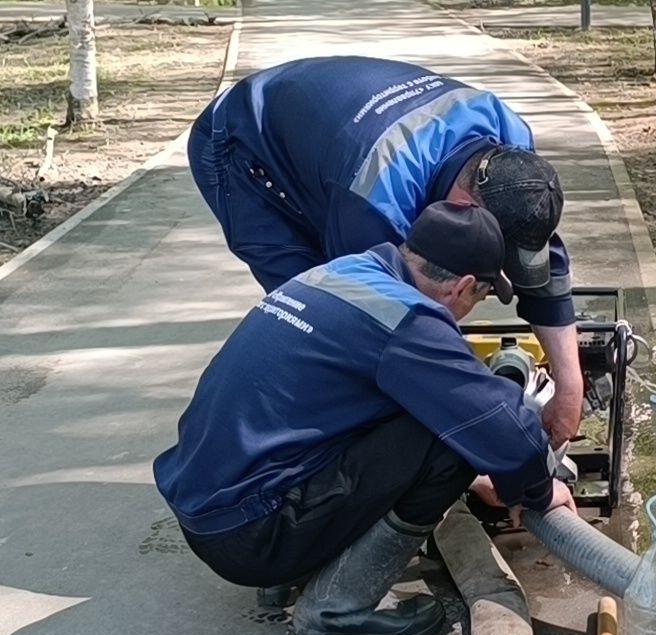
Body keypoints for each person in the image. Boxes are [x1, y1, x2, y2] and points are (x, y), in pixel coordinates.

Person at [153, 202, 577, 635]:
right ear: (464, 287)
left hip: (212, 507)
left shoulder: (347, 272)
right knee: (446, 441)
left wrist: (483, 477)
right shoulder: (408, 320)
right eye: (480, 299)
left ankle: (288, 576)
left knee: (414, 406)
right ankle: (335, 612)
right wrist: (537, 489)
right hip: (252, 533)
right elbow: (499, 427)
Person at [186, 55, 584, 448]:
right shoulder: (375, 203)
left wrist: (569, 386)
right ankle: (306, 460)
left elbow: (543, 256)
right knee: (316, 305)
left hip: (334, 136)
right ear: (464, 208)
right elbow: (386, 324)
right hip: (241, 144)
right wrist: (474, 421)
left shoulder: (513, 153)